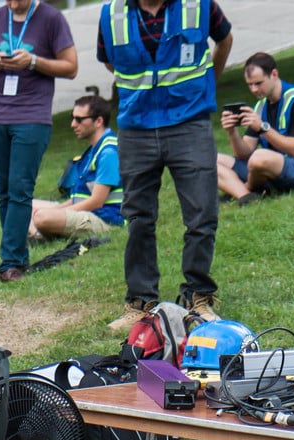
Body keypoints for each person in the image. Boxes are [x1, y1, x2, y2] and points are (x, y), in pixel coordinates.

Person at [98, 0, 233, 331]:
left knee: (202, 214)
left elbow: (225, 39)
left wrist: (206, 84)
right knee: (139, 218)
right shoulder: (111, 13)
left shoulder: (198, 5)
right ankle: (141, 303)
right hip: (137, 128)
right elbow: (109, 61)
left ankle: (198, 298)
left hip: (189, 123)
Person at [0, 0, 79, 283]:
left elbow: (71, 66)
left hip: (32, 116)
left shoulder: (51, 19)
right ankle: (15, 254)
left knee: (20, 188)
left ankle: (11, 261)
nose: (13, 3)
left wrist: (33, 61)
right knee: (3, 189)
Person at [216, 52, 294, 204]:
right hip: (268, 167)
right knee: (208, 159)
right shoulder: (260, 107)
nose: (253, 90)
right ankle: (245, 195)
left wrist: (263, 128)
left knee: (259, 158)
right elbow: (244, 153)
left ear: (274, 74)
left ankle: (244, 189)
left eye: (258, 83)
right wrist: (232, 132)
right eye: (250, 85)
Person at [30, 93, 124, 241]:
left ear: (98, 121)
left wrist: (56, 213)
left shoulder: (108, 153)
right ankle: (38, 230)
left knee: (42, 217)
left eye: (79, 120)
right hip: (87, 212)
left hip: (105, 219)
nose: (73, 124)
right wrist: (55, 210)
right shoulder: (95, 149)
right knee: (27, 205)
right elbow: (79, 198)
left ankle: (37, 234)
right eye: (72, 118)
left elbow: (96, 201)